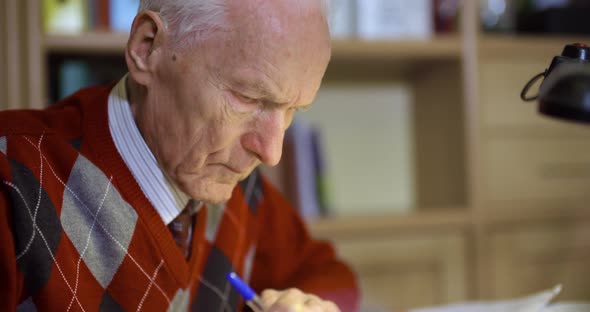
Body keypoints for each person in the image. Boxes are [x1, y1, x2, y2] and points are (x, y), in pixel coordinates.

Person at [0, 0, 359, 311]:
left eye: (294, 109)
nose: (271, 153)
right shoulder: (12, 181)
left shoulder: (236, 182)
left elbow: (331, 276)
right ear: (147, 46)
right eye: (248, 99)